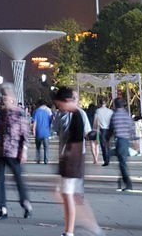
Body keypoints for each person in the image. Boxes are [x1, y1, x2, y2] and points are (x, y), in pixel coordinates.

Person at [53, 86, 101, 236]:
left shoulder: (79, 114)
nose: (58, 106)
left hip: (73, 160)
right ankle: (82, 227)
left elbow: (83, 136)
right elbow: (56, 130)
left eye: (59, 102)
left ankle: (79, 228)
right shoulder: (60, 114)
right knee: (70, 196)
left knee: (69, 196)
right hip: (69, 159)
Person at [0, 83, 32, 219]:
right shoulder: (2, 113)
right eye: (2, 95)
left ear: (13, 98)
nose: (4, 98)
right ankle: (2, 208)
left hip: (15, 151)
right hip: (1, 151)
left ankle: (25, 203)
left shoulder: (20, 113)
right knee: (0, 180)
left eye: (6, 95)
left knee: (18, 179)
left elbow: (25, 134)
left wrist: (25, 150)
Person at [110, 96, 135, 193]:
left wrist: (107, 139)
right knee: (122, 162)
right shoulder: (126, 115)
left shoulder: (115, 115)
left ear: (115, 105)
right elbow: (132, 128)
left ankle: (128, 183)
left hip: (119, 140)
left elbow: (111, 129)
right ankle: (120, 182)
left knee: (122, 163)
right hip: (126, 141)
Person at [93, 98, 113, 167]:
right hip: (109, 129)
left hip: (102, 130)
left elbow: (96, 121)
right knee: (108, 145)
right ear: (106, 103)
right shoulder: (110, 111)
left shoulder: (98, 111)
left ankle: (106, 160)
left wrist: (94, 129)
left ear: (99, 103)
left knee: (103, 146)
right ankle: (109, 157)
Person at [32, 99, 53, 164]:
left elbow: (34, 122)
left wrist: (33, 130)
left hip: (38, 132)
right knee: (46, 148)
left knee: (38, 148)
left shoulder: (36, 111)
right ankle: (46, 160)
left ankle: (38, 160)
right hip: (46, 132)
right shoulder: (47, 112)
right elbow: (50, 122)